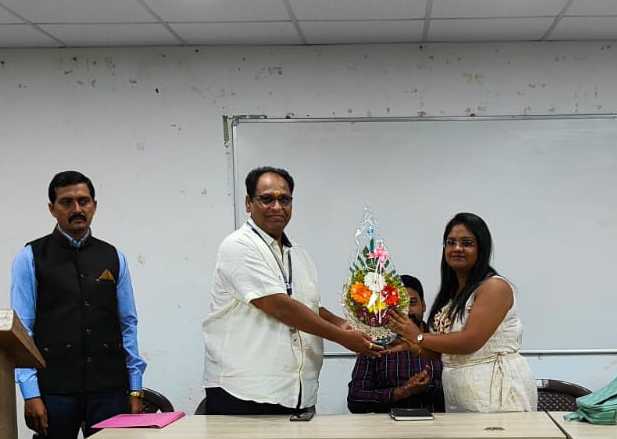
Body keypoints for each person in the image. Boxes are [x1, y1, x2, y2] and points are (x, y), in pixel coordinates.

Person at [11, 172, 144, 439]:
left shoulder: (112, 257)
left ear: (95, 205)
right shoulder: (31, 257)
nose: (76, 209)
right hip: (56, 390)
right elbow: (23, 329)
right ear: (52, 208)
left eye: (84, 201)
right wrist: (30, 391)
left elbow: (128, 323)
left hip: (108, 387)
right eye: (66, 202)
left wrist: (135, 387)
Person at [202, 166, 381, 415]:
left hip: (297, 392)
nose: (277, 207)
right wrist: (342, 337)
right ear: (248, 203)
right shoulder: (238, 246)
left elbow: (309, 306)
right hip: (244, 392)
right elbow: (279, 307)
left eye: (284, 199)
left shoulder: (298, 253)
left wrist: (343, 324)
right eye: (267, 199)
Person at [385, 213, 537, 412]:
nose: (457, 248)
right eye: (451, 242)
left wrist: (419, 336)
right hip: (460, 396)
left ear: (482, 248)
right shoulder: (450, 295)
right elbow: (448, 352)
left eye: (467, 243)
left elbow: (470, 341)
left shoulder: (494, 287)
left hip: (498, 394)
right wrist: (413, 347)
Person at [347, 274, 444, 413]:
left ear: (423, 305)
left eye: (412, 303)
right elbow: (355, 399)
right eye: (398, 305)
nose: (406, 311)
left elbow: (460, 391)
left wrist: (429, 386)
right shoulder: (376, 344)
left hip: (438, 424)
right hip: (388, 425)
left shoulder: (441, 339)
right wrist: (401, 392)